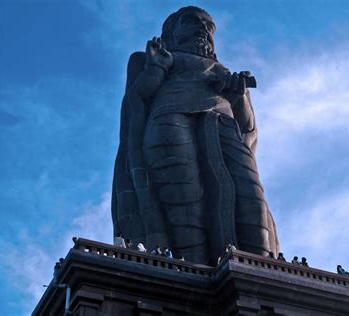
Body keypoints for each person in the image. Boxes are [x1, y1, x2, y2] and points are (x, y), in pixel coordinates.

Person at [111, 6, 280, 265]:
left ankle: (263, 272)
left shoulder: (224, 70)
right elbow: (136, 101)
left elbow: (247, 128)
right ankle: (187, 270)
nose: (204, 29)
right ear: (171, 31)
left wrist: (238, 96)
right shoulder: (148, 57)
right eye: (193, 21)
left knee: (251, 197)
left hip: (224, 128)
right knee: (183, 197)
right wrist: (156, 69)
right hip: (169, 120)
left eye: (209, 27)